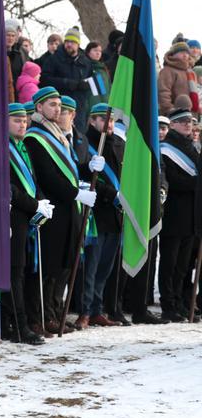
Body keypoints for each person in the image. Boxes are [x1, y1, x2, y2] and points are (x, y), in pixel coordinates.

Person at [23, 87, 96, 336]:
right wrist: (76, 193)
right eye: (52, 105)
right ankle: (38, 317)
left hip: (67, 210)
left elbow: (71, 169)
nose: (56, 109)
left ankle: (53, 313)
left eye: (58, 105)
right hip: (51, 210)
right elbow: (48, 176)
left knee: (61, 267)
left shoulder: (57, 134)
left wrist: (89, 169)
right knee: (45, 268)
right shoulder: (35, 137)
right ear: (39, 107)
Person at [4, 102, 48, 344]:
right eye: (16, 120)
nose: (22, 124)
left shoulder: (21, 147)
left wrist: (42, 201)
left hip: (26, 216)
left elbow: (32, 180)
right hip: (12, 216)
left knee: (21, 271)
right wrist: (33, 205)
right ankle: (18, 325)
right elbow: (8, 187)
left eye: (24, 121)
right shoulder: (3, 149)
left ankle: (23, 322)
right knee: (14, 272)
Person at [78, 104, 123, 329]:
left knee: (105, 266)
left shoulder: (118, 143)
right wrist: (111, 193)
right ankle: (85, 310)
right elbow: (82, 173)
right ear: (92, 121)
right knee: (91, 266)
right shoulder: (86, 143)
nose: (110, 125)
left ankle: (97, 309)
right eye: (105, 120)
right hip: (97, 212)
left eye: (112, 121)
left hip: (115, 214)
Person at [158, 109, 200, 322]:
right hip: (174, 215)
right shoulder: (166, 148)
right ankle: (169, 305)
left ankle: (181, 302)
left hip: (191, 216)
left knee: (184, 265)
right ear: (172, 125)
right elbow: (173, 180)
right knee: (170, 262)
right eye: (182, 122)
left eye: (190, 122)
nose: (187, 125)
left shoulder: (190, 146)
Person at [41, 26, 94, 129]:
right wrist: (65, 82)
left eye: (72, 42)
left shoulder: (86, 62)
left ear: (78, 44)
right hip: (60, 107)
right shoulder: (54, 59)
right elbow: (44, 80)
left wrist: (87, 86)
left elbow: (95, 83)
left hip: (80, 108)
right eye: (67, 41)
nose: (69, 44)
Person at [158, 40, 194, 115]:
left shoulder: (190, 72)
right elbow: (163, 92)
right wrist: (169, 109)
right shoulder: (167, 70)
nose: (185, 55)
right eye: (181, 52)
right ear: (173, 55)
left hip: (190, 114)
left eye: (187, 53)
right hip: (174, 114)